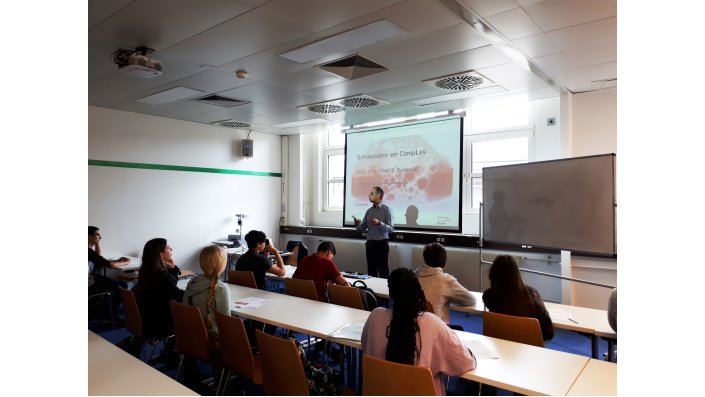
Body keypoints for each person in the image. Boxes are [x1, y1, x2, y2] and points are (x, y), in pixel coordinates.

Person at [361, 268, 476, 395]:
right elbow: (465, 363)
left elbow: (365, 345)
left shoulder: (375, 316)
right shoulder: (433, 324)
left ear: (391, 294)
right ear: (418, 291)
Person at [482, 255, 554, 341]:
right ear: (517, 273)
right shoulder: (531, 294)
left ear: (492, 274)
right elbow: (548, 331)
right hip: (529, 347)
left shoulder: (488, 296)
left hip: (500, 344)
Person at [132, 238, 184, 341]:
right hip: (159, 325)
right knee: (193, 321)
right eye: (168, 247)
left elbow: (171, 285)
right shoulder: (163, 276)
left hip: (146, 320)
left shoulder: (147, 271)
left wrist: (172, 267)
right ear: (161, 254)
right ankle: (171, 352)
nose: (171, 249)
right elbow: (180, 296)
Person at [416, 243, 476, 325]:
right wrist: (450, 298)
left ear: (425, 260)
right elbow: (471, 300)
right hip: (438, 331)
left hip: (413, 329)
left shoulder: (412, 277)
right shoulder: (447, 281)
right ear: (444, 264)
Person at [183, 245, 231, 335]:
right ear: (222, 263)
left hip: (192, 335)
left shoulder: (192, 282)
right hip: (213, 339)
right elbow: (226, 322)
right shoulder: (221, 288)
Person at [88, 226, 129, 318]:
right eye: (97, 235)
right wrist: (126, 262)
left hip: (89, 278)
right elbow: (112, 266)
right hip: (88, 282)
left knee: (111, 282)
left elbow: (99, 260)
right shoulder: (88, 251)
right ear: (88, 236)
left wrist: (118, 261)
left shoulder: (89, 251)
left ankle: (104, 312)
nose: (100, 237)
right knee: (122, 285)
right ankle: (108, 316)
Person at [354, 186, 394, 278]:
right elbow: (363, 229)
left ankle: (384, 292)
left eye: (372, 193)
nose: (369, 195)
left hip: (382, 244)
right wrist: (357, 225)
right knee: (371, 272)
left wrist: (379, 223)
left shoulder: (387, 210)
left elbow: (391, 229)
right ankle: (371, 293)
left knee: (383, 271)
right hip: (370, 244)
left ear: (379, 195)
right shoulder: (369, 211)